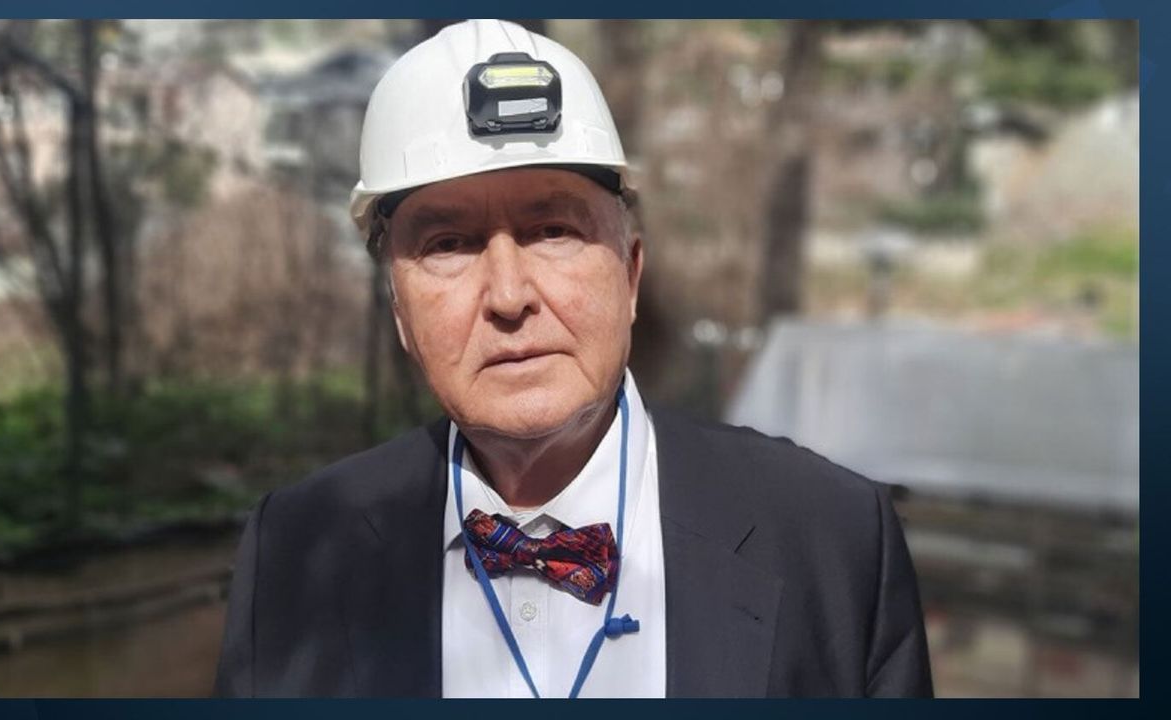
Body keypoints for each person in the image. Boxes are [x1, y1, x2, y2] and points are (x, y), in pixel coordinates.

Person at [213, 19, 932, 698]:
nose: (508, 296)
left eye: (552, 231)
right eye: (448, 245)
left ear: (631, 275)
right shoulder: (293, 550)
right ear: (401, 310)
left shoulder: (833, 540)